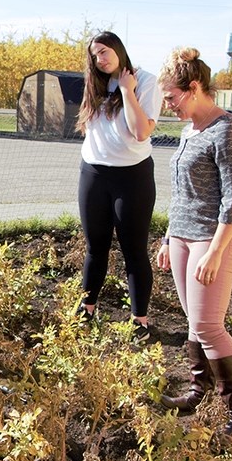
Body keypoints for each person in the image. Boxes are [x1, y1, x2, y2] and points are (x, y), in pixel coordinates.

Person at [156, 48, 232, 444]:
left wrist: (216, 251)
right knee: (194, 321)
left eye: (171, 97)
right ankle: (200, 393)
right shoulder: (190, 131)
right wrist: (168, 237)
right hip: (183, 236)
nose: (168, 105)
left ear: (194, 88)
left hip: (213, 238)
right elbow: (181, 194)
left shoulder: (228, 130)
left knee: (208, 325)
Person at [75, 31, 163, 342]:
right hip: (94, 175)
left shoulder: (146, 81)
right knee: (95, 247)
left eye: (104, 51)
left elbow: (141, 132)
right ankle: (86, 308)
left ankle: (140, 320)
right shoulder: (94, 83)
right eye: (95, 55)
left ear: (118, 48)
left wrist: (127, 90)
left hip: (132, 177)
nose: (101, 58)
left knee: (134, 250)